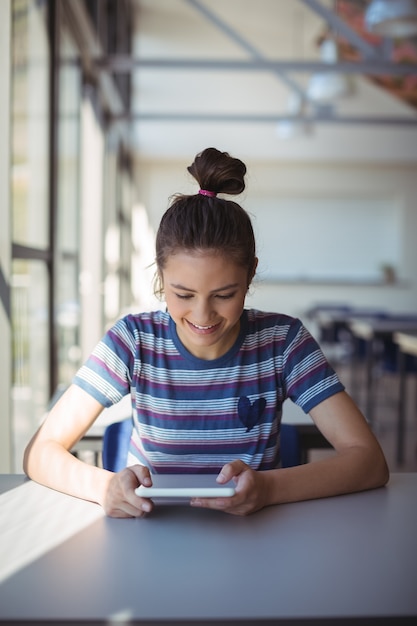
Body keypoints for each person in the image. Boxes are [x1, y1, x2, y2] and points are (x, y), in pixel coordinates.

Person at [23, 147, 389, 518]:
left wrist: (269, 488)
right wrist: (104, 488)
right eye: (183, 294)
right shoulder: (133, 341)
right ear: (161, 276)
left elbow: (369, 460)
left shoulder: (283, 341)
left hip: (257, 540)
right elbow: (40, 452)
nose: (202, 315)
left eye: (224, 295)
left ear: (250, 275)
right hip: (152, 533)